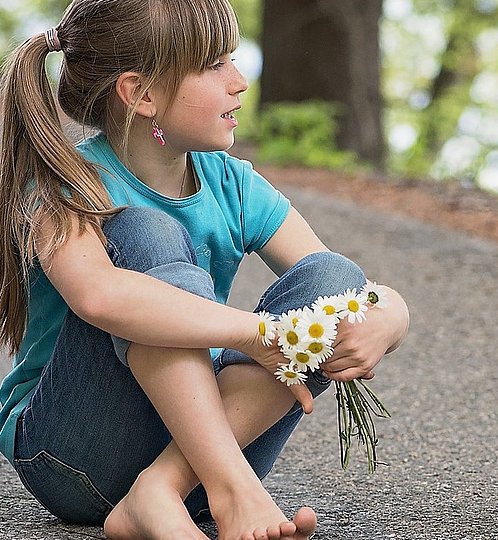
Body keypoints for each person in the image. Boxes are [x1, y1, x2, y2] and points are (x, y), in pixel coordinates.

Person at [0, 0, 409, 538]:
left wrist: (390, 316)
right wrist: (257, 332)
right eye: (214, 64)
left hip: (199, 455)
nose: (239, 82)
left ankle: (162, 491)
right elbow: (99, 298)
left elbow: (338, 283)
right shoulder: (62, 186)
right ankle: (226, 488)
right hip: (75, 457)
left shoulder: (232, 183)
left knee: (332, 281)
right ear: (141, 93)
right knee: (145, 232)